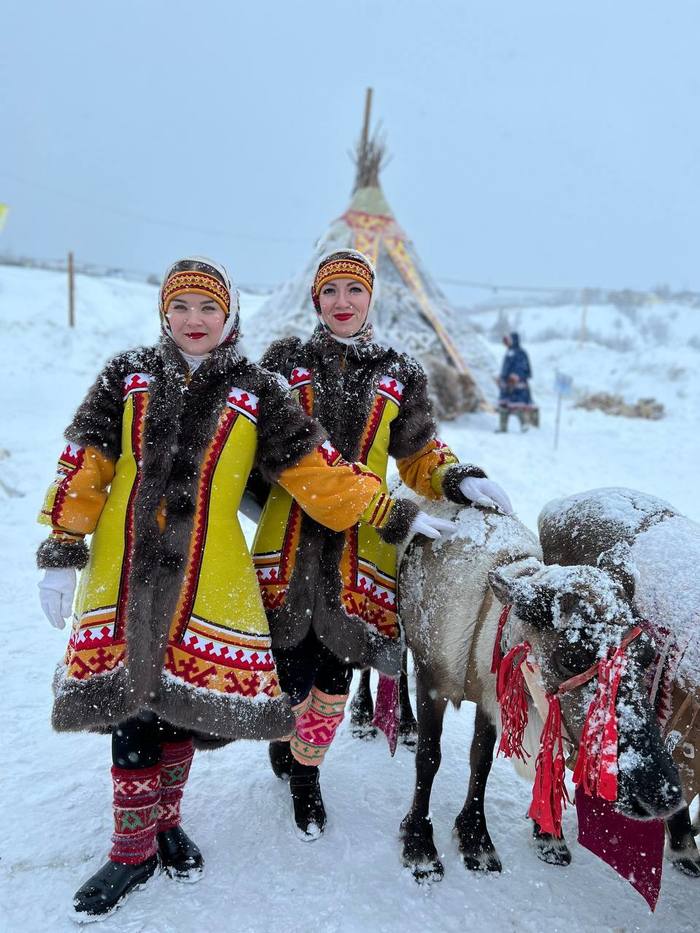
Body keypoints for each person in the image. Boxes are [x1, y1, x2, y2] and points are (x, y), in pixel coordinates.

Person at [35, 256, 451, 921]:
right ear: (163, 313)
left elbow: (319, 469)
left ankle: (166, 823)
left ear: (227, 316)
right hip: (127, 565)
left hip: (212, 571)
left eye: (208, 307)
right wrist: (63, 546)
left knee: (182, 703)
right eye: (182, 307)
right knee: (134, 701)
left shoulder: (255, 388)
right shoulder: (128, 377)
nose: (194, 320)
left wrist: (391, 511)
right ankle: (130, 847)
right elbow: (87, 458)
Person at [252, 249, 512, 839]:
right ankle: (284, 740)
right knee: (286, 670)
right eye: (330, 292)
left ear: (372, 298)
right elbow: (261, 446)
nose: (342, 302)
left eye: (354, 291)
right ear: (314, 300)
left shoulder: (399, 372)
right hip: (287, 542)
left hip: (360, 549)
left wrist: (455, 477)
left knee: (335, 677)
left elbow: (418, 455)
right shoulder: (283, 364)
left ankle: (307, 776)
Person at [496, 331, 534, 432]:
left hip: (516, 385)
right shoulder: (509, 352)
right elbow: (506, 368)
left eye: (508, 340)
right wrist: (501, 377)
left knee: (517, 406)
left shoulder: (520, 353)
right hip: (506, 384)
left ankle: (524, 425)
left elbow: (522, 367)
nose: (506, 343)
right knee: (503, 406)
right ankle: (503, 427)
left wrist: (515, 377)